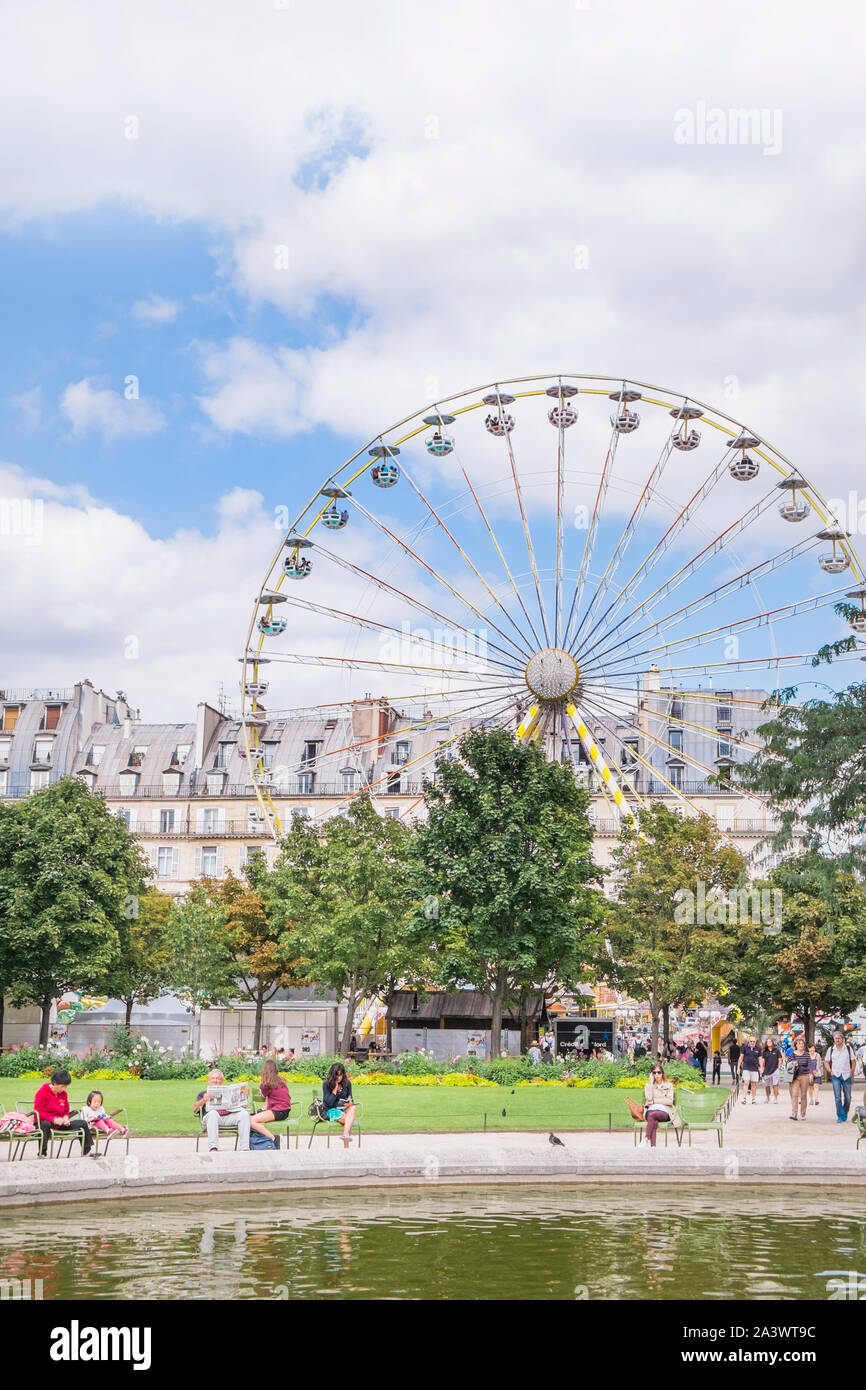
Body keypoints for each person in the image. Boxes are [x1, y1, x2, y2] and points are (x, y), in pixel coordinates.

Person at [33, 1069, 95, 1158]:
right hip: (44, 1122)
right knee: (45, 1124)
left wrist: (66, 1118)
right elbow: (38, 1112)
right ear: (54, 1083)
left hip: (60, 1123)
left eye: (65, 1086)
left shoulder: (63, 1094)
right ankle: (42, 1153)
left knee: (83, 1123)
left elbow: (66, 1109)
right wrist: (54, 1119)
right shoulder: (42, 1092)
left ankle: (86, 1152)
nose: (63, 1089)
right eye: (62, 1086)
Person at [193, 1069, 251, 1152]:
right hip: (211, 1119)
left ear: (222, 1080)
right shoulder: (203, 1093)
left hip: (229, 1116)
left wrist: (245, 1095)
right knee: (213, 1113)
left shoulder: (228, 1091)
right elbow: (195, 1109)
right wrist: (203, 1100)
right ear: (209, 1080)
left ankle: (245, 1148)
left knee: (244, 1114)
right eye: (213, 1078)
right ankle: (213, 1148)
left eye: (218, 1078)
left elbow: (242, 1105)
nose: (215, 1080)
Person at [251, 1059, 291, 1148]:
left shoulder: (266, 1084)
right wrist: (264, 1108)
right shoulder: (282, 1080)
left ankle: (274, 1138)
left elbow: (263, 1095)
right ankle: (262, 1142)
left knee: (251, 1121)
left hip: (278, 1111)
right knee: (251, 1118)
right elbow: (271, 1096)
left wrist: (260, 1086)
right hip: (285, 1110)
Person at [638, 1063, 679, 1149]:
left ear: (662, 1073)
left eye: (659, 1072)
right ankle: (653, 1147)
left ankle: (646, 1139)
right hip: (651, 1110)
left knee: (652, 1115)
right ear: (652, 1074)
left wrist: (654, 1101)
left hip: (665, 1111)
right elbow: (648, 1098)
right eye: (654, 1072)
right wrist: (650, 1082)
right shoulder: (649, 1085)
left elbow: (670, 1101)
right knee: (653, 1118)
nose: (656, 1075)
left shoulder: (669, 1085)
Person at [322, 1063, 356, 1149]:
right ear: (333, 1075)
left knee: (353, 1108)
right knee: (349, 1121)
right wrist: (335, 1089)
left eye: (341, 1075)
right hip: (331, 1110)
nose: (339, 1078)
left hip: (344, 1109)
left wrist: (349, 1103)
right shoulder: (326, 1084)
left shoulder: (347, 1083)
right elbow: (328, 1103)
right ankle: (346, 1148)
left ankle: (345, 1135)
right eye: (337, 1075)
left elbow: (351, 1099)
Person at [824, 1031, 856, 1123]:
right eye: (836, 1038)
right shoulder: (831, 1049)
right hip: (836, 1075)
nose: (837, 1040)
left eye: (839, 1038)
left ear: (842, 1039)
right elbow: (826, 1061)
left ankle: (844, 1112)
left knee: (848, 1097)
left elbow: (853, 1061)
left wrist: (852, 1072)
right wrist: (830, 1071)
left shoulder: (848, 1049)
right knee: (837, 1097)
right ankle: (840, 1115)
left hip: (846, 1075)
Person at [787, 1036, 811, 1121]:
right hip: (795, 1077)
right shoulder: (792, 1055)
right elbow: (788, 1066)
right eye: (799, 1044)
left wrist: (811, 1074)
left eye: (802, 1044)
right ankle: (794, 1113)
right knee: (794, 1094)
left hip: (804, 1076)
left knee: (803, 1095)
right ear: (796, 1045)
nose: (801, 1045)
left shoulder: (807, 1054)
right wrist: (793, 1064)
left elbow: (809, 1065)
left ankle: (803, 1113)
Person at [738, 1034, 762, 1104]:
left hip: (754, 1068)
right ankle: (744, 1099)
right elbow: (741, 1057)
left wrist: (761, 1067)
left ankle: (753, 1099)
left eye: (753, 1041)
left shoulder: (758, 1049)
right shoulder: (744, 1048)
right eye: (751, 1041)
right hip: (746, 1068)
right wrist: (738, 1068)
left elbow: (760, 1059)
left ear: (755, 1042)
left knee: (753, 1084)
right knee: (746, 1083)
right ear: (748, 1041)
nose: (752, 1043)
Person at [761, 1037, 781, 1104]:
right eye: (767, 1042)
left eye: (770, 1041)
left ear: (772, 1042)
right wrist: (762, 1069)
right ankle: (767, 1097)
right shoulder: (764, 1052)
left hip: (775, 1070)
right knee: (767, 1086)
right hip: (767, 1071)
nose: (769, 1042)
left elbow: (780, 1059)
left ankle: (775, 1098)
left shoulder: (776, 1050)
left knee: (775, 1085)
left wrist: (778, 1068)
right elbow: (763, 1061)